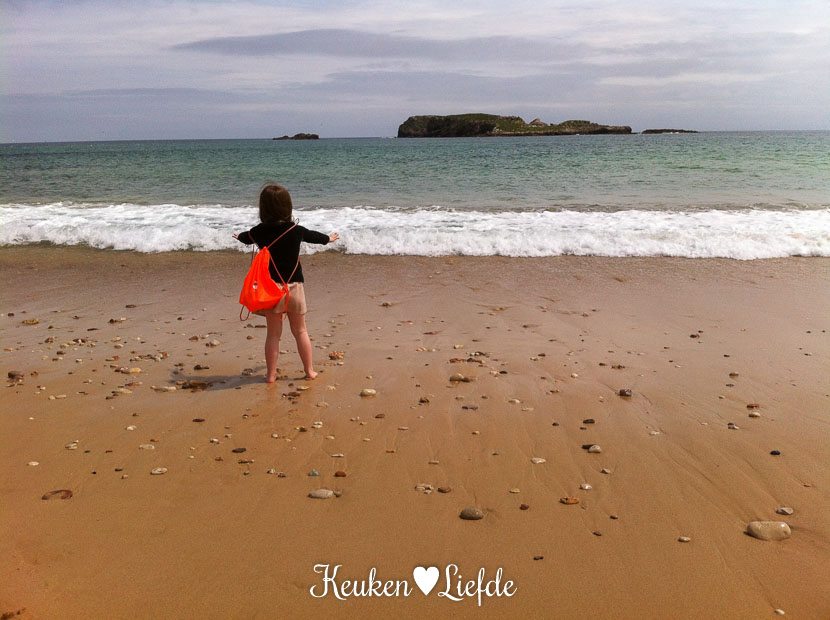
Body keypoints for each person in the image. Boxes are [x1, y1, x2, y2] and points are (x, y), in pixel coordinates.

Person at [234, 183, 339, 382]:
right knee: (301, 331)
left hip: (271, 290)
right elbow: (314, 237)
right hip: (295, 288)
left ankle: (271, 375)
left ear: (263, 208)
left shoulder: (259, 231)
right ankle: (309, 371)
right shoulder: (296, 230)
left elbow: (246, 238)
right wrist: (329, 238)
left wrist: (238, 236)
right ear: (287, 207)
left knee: (273, 335)